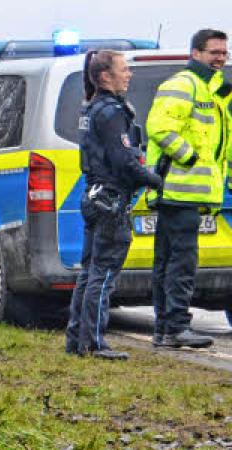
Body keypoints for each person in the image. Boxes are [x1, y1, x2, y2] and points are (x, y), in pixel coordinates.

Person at [66, 50, 163, 359]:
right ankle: (94, 343)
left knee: (89, 272)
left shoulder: (91, 108)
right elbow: (123, 162)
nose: (129, 74)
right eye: (123, 69)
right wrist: (155, 181)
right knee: (104, 274)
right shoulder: (111, 112)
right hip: (110, 201)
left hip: (94, 196)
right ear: (105, 76)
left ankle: (76, 340)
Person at [145, 29, 231, 349]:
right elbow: (160, 126)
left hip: (189, 193)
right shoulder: (184, 84)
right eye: (214, 52)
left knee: (169, 261)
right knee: (181, 263)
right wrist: (188, 157)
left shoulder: (213, 90)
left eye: (224, 52)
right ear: (196, 53)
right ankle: (177, 327)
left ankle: (165, 329)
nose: (220, 58)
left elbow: (222, 145)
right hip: (180, 191)